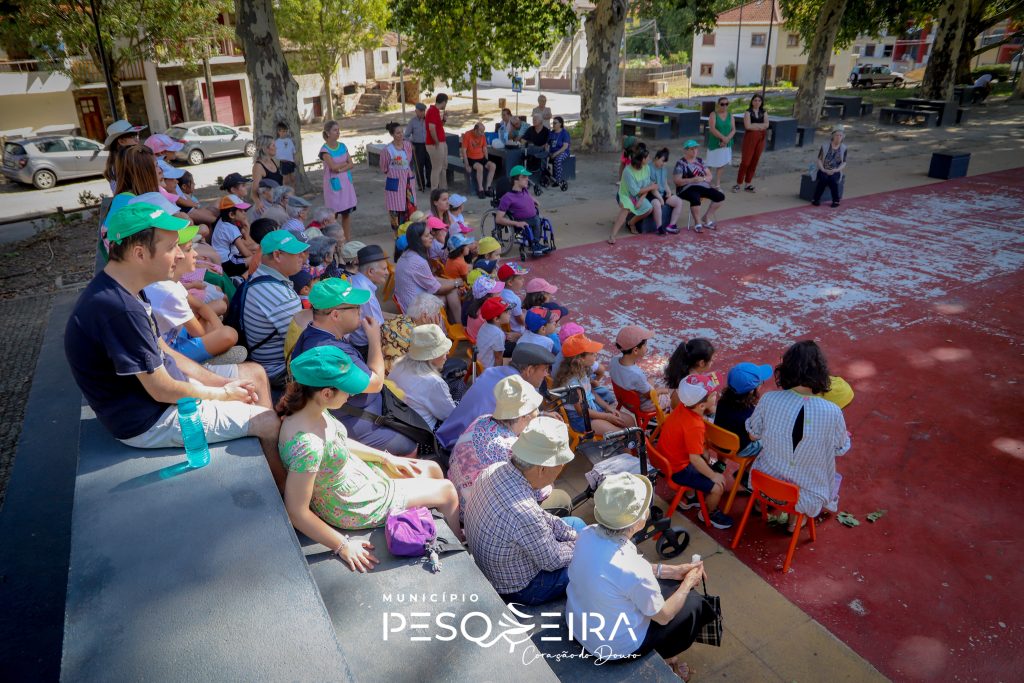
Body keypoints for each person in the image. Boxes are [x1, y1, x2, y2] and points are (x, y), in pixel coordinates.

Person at [65, 203, 285, 487]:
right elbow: (161, 390)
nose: (181, 253)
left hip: (161, 394)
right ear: (140, 253)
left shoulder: (129, 286)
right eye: (171, 247)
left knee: (253, 373)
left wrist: (221, 384)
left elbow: (167, 352)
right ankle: (285, 498)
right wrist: (221, 395)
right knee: (268, 421)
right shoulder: (118, 309)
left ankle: (264, 460)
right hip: (147, 418)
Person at [279, 345, 462, 573]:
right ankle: (460, 551)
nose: (351, 395)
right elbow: (297, 511)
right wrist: (342, 545)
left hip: (356, 477)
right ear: (326, 393)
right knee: (447, 490)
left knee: (433, 468)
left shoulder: (311, 409)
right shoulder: (308, 446)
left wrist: (385, 459)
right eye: (347, 390)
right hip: (351, 504)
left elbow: (339, 441)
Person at [566, 472, 713, 679]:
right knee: (693, 604)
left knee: (669, 586)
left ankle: (669, 656)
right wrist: (687, 583)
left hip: (578, 622)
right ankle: (669, 657)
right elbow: (663, 616)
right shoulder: (632, 567)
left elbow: (619, 572)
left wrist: (672, 570)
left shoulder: (588, 533)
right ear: (638, 522)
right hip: (612, 647)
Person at [291, 278, 421, 457]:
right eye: (356, 308)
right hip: (356, 423)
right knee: (411, 446)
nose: (361, 311)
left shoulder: (313, 332)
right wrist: (375, 338)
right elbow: (375, 382)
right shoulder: (331, 351)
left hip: (357, 413)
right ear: (335, 315)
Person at [462, 416, 583, 604]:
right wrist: (581, 545)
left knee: (577, 525)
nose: (560, 472)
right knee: (591, 562)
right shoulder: (524, 512)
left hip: (494, 563)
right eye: (560, 466)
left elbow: (542, 517)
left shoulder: (496, 468)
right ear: (542, 469)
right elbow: (553, 561)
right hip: (518, 587)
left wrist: (573, 536)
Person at [747, 341, 851, 531]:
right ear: (821, 372)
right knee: (820, 476)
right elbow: (840, 448)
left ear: (785, 370)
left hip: (764, 483)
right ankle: (795, 522)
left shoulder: (769, 399)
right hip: (805, 495)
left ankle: (765, 507)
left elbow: (753, 435)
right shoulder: (832, 411)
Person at [436, 343, 556, 450]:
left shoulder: (493, 371)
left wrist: (540, 414)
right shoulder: (516, 390)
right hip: (459, 448)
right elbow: (519, 426)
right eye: (544, 369)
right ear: (529, 370)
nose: (546, 374)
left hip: (448, 435)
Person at [144, 234, 240, 364]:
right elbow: (198, 332)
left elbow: (201, 306)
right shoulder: (170, 291)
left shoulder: (171, 282)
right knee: (230, 334)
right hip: (171, 351)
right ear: (177, 257)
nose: (195, 254)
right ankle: (207, 361)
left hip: (176, 333)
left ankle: (213, 350)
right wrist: (219, 333)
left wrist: (218, 328)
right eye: (189, 249)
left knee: (212, 319)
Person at [659, 381, 734, 529]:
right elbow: (694, 458)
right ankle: (708, 513)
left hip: (666, 459)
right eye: (713, 395)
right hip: (678, 469)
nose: (716, 395)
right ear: (701, 406)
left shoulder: (683, 406)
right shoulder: (695, 425)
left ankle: (691, 496)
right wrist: (713, 476)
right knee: (718, 486)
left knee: (705, 457)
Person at [242, 230, 309, 386]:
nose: (302, 256)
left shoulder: (258, 275)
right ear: (277, 255)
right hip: (277, 372)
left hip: (260, 360)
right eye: (296, 252)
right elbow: (302, 344)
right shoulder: (282, 297)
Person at [554, 334, 635, 436]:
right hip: (582, 419)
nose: (596, 354)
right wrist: (607, 416)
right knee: (621, 434)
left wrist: (607, 407)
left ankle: (636, 450)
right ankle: (629, 450)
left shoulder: (582, 370)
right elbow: (581, 412)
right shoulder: (573, 384)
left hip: (592, 409)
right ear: (580, 359)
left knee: (630, 421)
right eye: (592, 353)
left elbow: (590, 392)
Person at [387, 324, 456, 430]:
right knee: (459, 388)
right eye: (443, 350)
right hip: (422, 433)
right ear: (431, 356)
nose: (448, 352)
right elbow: (450, 415)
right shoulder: (433, 382)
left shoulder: (399, 363)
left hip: (400, 422)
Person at [394, 221, 462, 322]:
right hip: (415, 309)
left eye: (430, 233)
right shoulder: (419, 261)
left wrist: (453, 281)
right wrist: (456, 283)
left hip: (409, 302)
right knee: (451, 291)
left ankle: (454, 325)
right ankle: (459, 325)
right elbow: (437, 289)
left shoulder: (407, 253)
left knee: (451, 288)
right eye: (427, 235)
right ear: (418, 240)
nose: (431, 237)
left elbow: (431, 278)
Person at [714, 362, 773, 459]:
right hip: (739, 449)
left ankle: (721, 463)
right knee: (767, 443)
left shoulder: (722, 401)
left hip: (718, 442)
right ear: (751, 390)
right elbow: (753, 437)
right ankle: (746, 471)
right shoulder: (751, 412)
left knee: (727, 431)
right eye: (761, 382)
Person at [610, 325, 671, 414]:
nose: (647, 348)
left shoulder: (614, 361)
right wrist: (663, 390)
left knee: (650, 382)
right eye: (645, 345)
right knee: (672, 396)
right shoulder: (636, 374)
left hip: (624, 400)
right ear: (635, 350)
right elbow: (649, 395)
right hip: (643, 405)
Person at [346, 245, 392, 359]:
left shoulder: (352, 279)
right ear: (371, 271)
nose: (387, 272)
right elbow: (378, 327)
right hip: (365, 348)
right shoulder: (366, 294)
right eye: (384, 269)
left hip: (353, 341)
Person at [495, 165, 550, 257]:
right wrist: (516, 224)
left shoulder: (524, 190)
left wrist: (532, 199)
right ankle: (534, 244)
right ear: (516, 180)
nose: (527, 179)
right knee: (536, 221)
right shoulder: (507, 197)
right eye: (524, 177)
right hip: (521, 221)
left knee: (543, 220)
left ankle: (536, 243)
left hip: (533, 217)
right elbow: (498, 219)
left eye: (527, 177)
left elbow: (526, 197)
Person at [673, 139, 725, 233]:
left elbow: (709, 176)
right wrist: (692, 180)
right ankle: (697, 223)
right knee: (695, 196)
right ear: (685, 150)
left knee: (720, 196)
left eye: (696, 148)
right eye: (691, 149)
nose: (694, 151)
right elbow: (677, 181)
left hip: (702, 186)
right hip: (685, 189)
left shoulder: (700, 161)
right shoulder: (680, 163)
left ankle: (706, 217)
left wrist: (703, 179)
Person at [609, 147, 657, 244]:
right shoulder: (628, 171)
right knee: (626, 209)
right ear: (642, 159)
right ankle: (612, 235)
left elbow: (647, 186)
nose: (649, 158)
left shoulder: (647, 168)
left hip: (640, 195)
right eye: (647, 157)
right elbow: (635, 191)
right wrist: (651, 187)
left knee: (649, 208)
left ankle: (631, 223)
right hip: (626, 195)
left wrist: (641, 199)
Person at [320, 120, 358, 241]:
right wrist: (343, 164)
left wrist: (340, 168)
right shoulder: (324, 150)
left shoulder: (343, 146)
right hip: (333, 186)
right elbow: (332, 167)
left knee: (346, 214)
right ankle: (334, 240)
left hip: (346, 184)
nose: (338, 132)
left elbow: (351, 164)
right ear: (328, 133)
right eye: (335, 130)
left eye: (338, 130)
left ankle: (347, 239)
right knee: (333, 214)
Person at [664, 337, 723, 408]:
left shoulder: (680, 372)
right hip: (685, 416)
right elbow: (702, 408)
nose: (712, 362)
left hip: (677, 412)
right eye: (711, 360)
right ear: (702, 363)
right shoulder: (695, 386)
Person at [381, 121, 418, 231]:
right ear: (392, 135)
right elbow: (384, 167)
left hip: (407, 181)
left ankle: (409, 230)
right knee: (395, 208)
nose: (401, 135)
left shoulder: (407, 145)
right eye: (398, 133)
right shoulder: (387, 150)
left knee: (409, 206)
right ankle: (397, 232)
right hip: (394, 182)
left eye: (402, 132)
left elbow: (409, 160)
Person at [211, 195, 255, 277]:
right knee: (256, 259)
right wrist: (255, 257)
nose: (245, 213)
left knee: (255, 251)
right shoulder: (231, 229)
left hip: (223, 260)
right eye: (241, 210)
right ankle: (241, 279)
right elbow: (245, 252)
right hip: (228, 264)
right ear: (231, 215)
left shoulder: (222, 221)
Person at [733, 94, 769, 193]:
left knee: (755, 160)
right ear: (752, 101)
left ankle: (748, 184)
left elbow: (766, 125)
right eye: (755, 100)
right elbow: (748, 126)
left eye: (759, 101)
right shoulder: (748, 112)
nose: (757, 102)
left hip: (761, 138)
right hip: (750, 138)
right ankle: (738, 184)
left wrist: (755, 125)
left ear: (761, 102)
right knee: (746, 162)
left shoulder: (764, 112)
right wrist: (760, 126)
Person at [102, 119, 146, 192]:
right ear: (121, 141)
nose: (137, 140)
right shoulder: (128, 163)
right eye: (133, 136)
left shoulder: (114, 164)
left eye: (137, 135)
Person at [648, 148, 684, 234]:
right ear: (656, 158)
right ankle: (659, 228)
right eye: (662, 161)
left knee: (678, 201)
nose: (663, 164)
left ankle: (671, 226)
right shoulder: (649, 168)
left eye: (665, 162)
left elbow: (664, 182)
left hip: (661, 192)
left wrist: (668, 191)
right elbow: (652, 187)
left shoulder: (663, 168)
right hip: (651, 193)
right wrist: (660, 198)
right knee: (657, 204)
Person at [812, 128, 848, 208]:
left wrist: (836, 170)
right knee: (823, 179)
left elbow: (844, 162)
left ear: (843, 137)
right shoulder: (824, 146)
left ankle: (836, 200)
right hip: (823, 169)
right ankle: (816, 199)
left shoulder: (844, 148)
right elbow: (819, 159)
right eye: (837, 135)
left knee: (832, 180)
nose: (838, 137)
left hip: (835, 170)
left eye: (840, 135)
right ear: (833, 136)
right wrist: (823, 169)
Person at [706, 96, 735, 189]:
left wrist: (727, 139)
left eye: (726, 104)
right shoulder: (713, 114)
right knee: (710, 163)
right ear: (718, 105)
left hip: (726, 143)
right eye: (722, 104)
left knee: (721, 163)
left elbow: (733, 129)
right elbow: (712, 129)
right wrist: (723, 138)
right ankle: (707, 182)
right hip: (715, 143)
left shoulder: (730, 115)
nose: (724, 106)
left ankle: (717, 184)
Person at [250, 135, 285, 213]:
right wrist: (258, 203)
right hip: (268, 206)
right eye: (273, 145)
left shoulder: (272, 161)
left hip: (279, 202)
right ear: (265, 148)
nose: (276, 147)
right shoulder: (258, 166)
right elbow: (254, 192)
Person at [461, 122, 496, 198]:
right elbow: (463, 151)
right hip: (471, 158)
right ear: (475, 130)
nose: (482, 133)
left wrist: (486, 161)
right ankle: (480, 189)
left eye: (483, 131)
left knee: (493, 165)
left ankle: (487, 188)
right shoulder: (468, 135)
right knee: (480, 167)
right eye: (481, 131)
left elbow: (485, 148)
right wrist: (467, 165)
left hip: (481, 158)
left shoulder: (482, 136)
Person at [476, 297, 510, 369]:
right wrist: (497, 375)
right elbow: (498, 358)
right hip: (489, 368)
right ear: (496, 319)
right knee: (515, 362)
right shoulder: (498, 334)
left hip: (481, 361)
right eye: (506, 312)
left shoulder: (484, 325)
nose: (509, 314)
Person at [425, 93, 449, 191]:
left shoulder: (436, 111)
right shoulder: (432, 111)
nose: (446, 104)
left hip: (441, 142)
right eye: (446, 102)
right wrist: (437, 141)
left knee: (443, 167)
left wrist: (444, 119)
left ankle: (443, 189)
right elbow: (431, 128)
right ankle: (434, 191)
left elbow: (438, 127)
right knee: (437, 168)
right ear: (443, 102)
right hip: (435, 144)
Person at [405, 102, 431, 189]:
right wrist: (410, 144)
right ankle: (421, 185)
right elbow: (406, 135)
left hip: (428, 145)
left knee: (429, 165)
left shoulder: (428, 120)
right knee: (419, 166)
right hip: (418, 146)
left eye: (423, 111)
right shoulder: (412, 122)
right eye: (419, 111)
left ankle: (429, 183)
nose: (421, 113)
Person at [497, 262, 528, 334]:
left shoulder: (497, 292)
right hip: (516, 330)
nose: (523, 280)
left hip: (502, 328)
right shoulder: (514, 299)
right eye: (520, 278)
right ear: (510, 282)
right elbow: (520, 320)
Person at [548, 116, 571, 185]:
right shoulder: (551, 133)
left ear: (560, 124)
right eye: (553, 123)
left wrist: (555, 154)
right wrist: (547, 152)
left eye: (555, 123)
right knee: (542, 159)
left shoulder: (564, 133)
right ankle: (547, 177)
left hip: (563, 152)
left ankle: (558, 180)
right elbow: (548, 144)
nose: (553, 124)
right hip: (552, 152)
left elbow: (565, 146)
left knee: (558, 160)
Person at [275, 121, 297, 187]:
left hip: (291, 163)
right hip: (283, 163)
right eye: (282, 131)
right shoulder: (276, 142)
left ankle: (293, 193)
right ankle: (285, 194)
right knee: (285, 180)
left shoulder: (289, 140)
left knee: (293, 179)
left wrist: (295, 160)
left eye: (285, 131)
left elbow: (293, 151)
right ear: (278, 132)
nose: (284, 133)